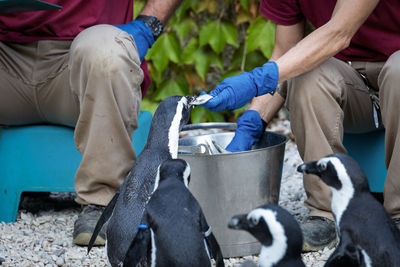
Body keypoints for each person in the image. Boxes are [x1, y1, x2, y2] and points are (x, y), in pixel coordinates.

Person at [202, 0, 400, 252]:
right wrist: (252, 122)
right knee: (306, 75)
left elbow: (340, 32)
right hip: (350, 83)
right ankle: (324, 214)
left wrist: (256, 79)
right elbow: (285, 55)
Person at [0, 0, 182, 246]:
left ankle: (102, 202)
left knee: (106, 52)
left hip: (85, 63)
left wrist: (148, 26)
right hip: (7, 57)